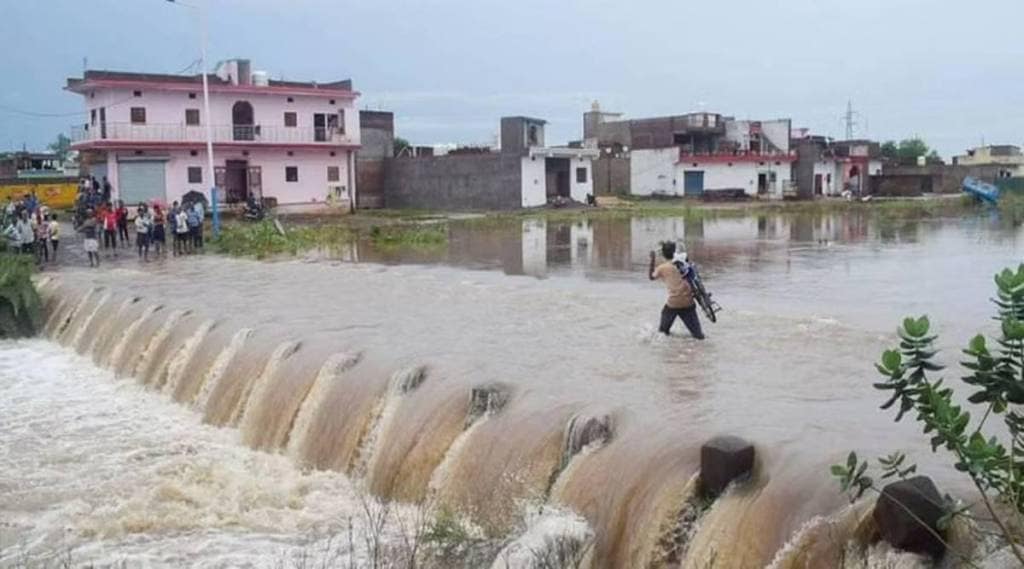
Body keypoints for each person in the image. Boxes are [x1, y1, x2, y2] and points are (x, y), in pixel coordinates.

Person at [648, 241, 704, 339]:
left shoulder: (662, 268)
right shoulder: (683, 263)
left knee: (662, 334)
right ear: (674, 252)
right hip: (688, 302)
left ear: (663, 254)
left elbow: (651, 277)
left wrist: (652, 259)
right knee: (699, 337)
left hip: (673, 303)